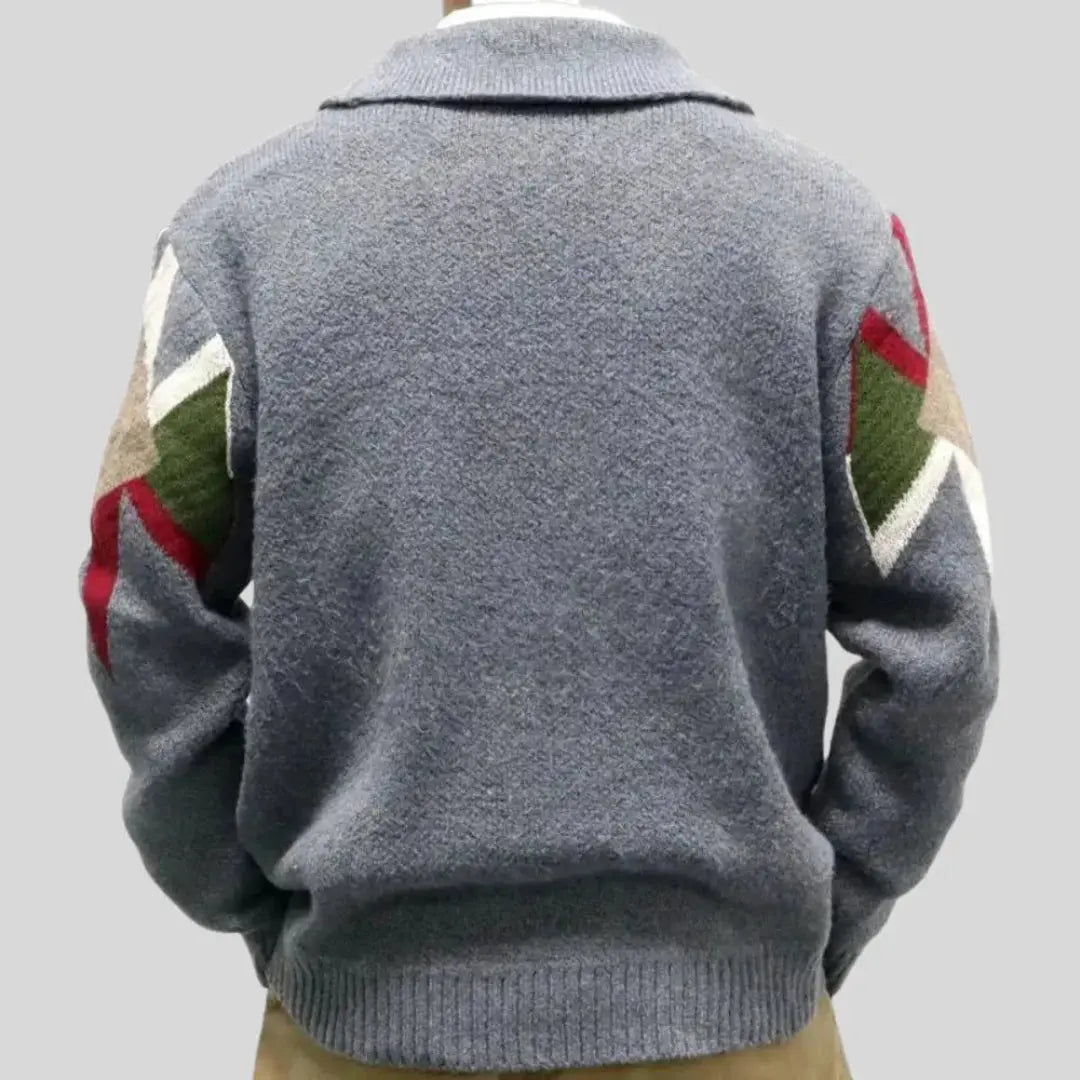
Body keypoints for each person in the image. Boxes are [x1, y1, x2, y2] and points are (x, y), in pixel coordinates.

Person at [77, 1, 999, 1077]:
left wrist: (252, 901)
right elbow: (948, 635)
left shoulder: (239, 234)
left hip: (359, 1028)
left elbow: (136, 607)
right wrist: (810, 921)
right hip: (742, 1034)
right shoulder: (829, 234)